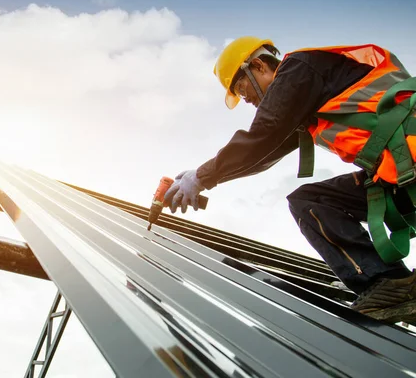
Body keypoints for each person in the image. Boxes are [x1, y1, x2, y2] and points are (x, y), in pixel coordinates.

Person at [164, 36, 416, 323]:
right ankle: (391, 285)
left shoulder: (298, 70)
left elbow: (263, 134)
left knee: (308, 200)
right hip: (398, 171)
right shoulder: (306, 100)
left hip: (408, 160)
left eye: (241, 88)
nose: (246, 99)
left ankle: (383, 281)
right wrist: (203, 178)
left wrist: (201, 176)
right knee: (310, 201)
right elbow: (263, 154)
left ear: (257, 66)